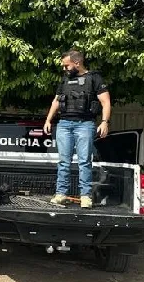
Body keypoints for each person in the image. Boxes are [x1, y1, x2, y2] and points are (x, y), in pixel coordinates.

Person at [43, 50, 112, 208]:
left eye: (66, 66)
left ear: (77, 63)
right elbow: (56, 101)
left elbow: (106, 102)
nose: (64, 69)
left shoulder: (94, 78)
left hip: (85, 124)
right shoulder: (65, 80)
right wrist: (48, 120)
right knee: (64, 162)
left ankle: (85, 196)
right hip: (64, 124)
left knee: (84, 162)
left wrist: (104, 122)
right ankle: (61, 194)